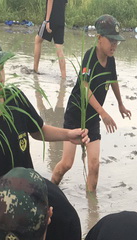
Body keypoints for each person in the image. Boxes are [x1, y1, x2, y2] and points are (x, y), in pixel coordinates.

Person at [0, 30, 89, 211]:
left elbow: (38, 131)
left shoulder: (15, 99)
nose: (1, 77)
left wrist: (68, 135)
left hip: (29, 197)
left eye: (2, 68)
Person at [52, 14, 132, 193]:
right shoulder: (89, 57)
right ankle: (49, 191)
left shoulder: (110, 60)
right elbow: (84, 88)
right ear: (99, 38)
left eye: (116, 41)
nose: (114, 45)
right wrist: (103, 113)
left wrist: (120, 104)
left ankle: (92, 204)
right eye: (111, 40)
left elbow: (113, 81)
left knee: (94, 165)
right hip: (76, 114)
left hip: (92, 117)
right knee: (67, 163)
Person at [33, 0, 67, 79]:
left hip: (51, 20)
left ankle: (35, 70)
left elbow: (50, 2)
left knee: (37, 40)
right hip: (61, 20)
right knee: (59, 48)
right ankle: (64, 76)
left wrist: (47, 21)